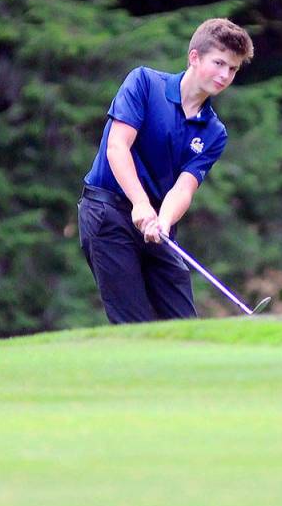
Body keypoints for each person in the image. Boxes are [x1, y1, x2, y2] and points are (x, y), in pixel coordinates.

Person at [78, 18, 254, 323]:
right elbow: (117, 147)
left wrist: (163, 220)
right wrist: (140, 204)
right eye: (219, 63)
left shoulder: (214, 132)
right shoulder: (145, 83)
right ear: (194, 58)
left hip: (157, 223)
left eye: (233, 69)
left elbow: (184, 188)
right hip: (107, 213)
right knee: (133, 324)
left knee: (184, 323)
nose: (225, 75)